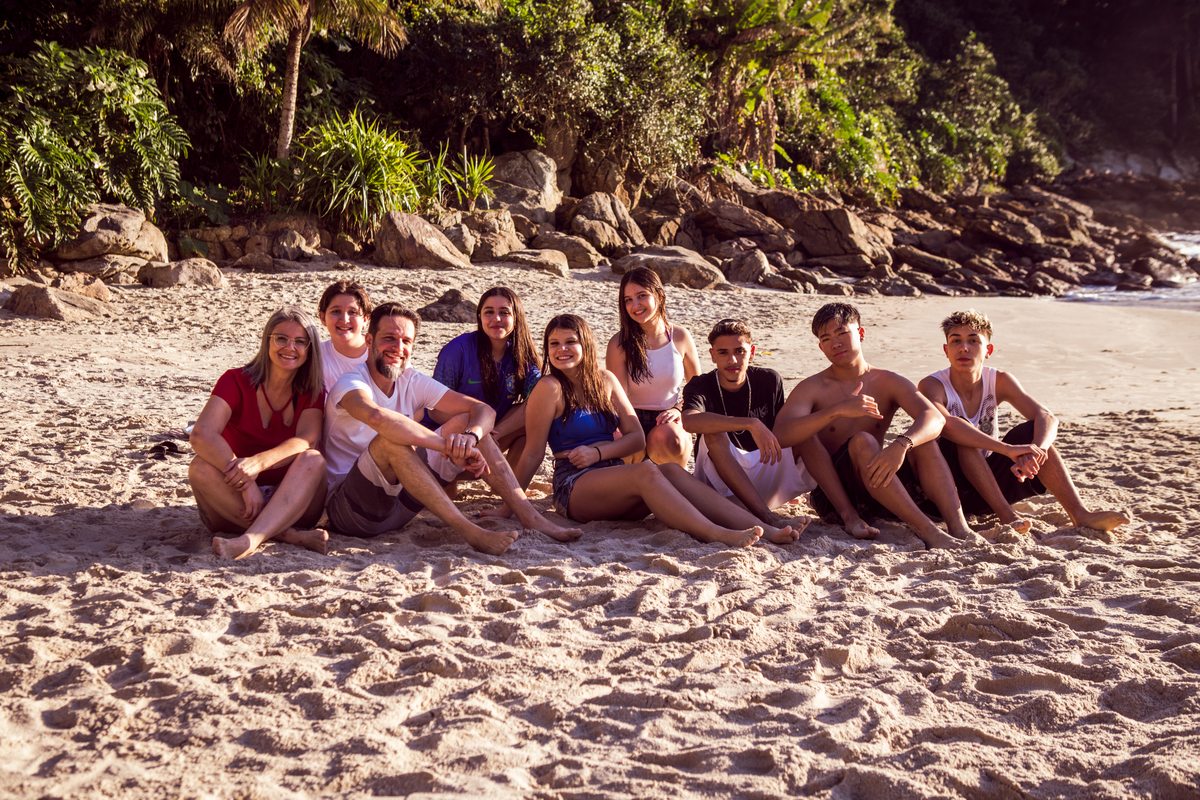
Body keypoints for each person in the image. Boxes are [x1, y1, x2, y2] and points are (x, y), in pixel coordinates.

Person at [501, 313, 804, 547]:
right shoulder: (549, 387)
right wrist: (509, 508)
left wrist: (598, 452)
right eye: (554, 344)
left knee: (669, 470)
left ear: (585, 345)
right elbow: (532, 454)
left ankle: (767, 529)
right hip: (575, 487)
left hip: (614, 479)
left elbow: (635, 439)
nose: (561, 350)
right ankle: (718, 533)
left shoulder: (605, 381)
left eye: (570, 342)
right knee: (647, 471)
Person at [322, 302, 582, 554]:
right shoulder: (351, 383)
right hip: (353, 511)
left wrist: (469, 438)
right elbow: (378, 418)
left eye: (406, 341)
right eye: (389, 338)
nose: (397, 348)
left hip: (401, 507)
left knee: (465, 425)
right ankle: (469, 531)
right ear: (369, 341)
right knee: (390, 441)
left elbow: (483, 410)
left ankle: (529, 516)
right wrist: (447, 446)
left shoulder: (411, 379)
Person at [775, 302, 975, 550]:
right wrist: (836, 411)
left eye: (842, 333)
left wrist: (901, 445)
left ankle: (958, 526)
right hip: (836, 499)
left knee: (923, 441)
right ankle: (927, 531)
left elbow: (935, 418)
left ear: (860, 333)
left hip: (882, 490)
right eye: (826, 339)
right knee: (861, 440)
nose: (835, 343)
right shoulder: (813, 387)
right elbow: (780, 435)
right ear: (820, 347)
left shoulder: (887, 381)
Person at [918, 309, 1130, 533]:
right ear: (946, 350)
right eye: (956, 341)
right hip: (942, 492)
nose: (964, 348)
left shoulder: (999, 380)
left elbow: (1046, 416)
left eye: (973, 341)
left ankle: (1080, 514)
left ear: (988, 350)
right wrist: (1007, 449)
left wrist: (1037, 450)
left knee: (1033, 432)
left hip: (984, 489)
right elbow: (948, 424)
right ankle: (1007, 516)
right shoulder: (932, 385)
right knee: (963, 432)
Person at [189, 306, 329, 560]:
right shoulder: (234, 380)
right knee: (199, 467)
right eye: (281, 338)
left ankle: (251, 539)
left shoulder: (312, 390)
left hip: (292, 497)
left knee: (314, 459)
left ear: (310, 351)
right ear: (267, 341)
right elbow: (202, 434)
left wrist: (257, 464)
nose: (290, 347)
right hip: (234, 501)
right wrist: (246, 482)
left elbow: (306, 440)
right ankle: (287, 535)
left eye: (300, 342)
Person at [681, 318, 815, 528]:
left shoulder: (769, 380)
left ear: (751, 352)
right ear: (712, 355)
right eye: (723, 352)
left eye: (739, 351)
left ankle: (846, 513)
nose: (732, 360)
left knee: (809, 435)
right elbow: (689, 421)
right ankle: (767, 517)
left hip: (764, 470)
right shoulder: (701, 385)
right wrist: (751, 423)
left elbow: (784, 431)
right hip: (721, 483)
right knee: (713, 434)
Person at [425, 287, 541, 493]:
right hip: (448, 439)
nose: (496, 318)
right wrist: (474, 431)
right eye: (489, 312)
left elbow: (541, 399)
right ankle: (445, 478)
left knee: (533, 418)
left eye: (504, 312)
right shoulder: (458, 349)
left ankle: (508, 486)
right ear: (479, 317)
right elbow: (434, 408)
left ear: (517, 317)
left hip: (488, 437)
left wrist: (490, 434)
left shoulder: (522, 355)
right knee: (447, 495)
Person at [604, 267, 701, 467]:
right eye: (628, 300)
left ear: (659, 294)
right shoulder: (619, 343)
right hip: (631, 418)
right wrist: (624, 430)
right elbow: (617, 398)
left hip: (668, 420)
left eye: (642, 296)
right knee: (620, 441)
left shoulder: (680, 336)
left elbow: (697, 390)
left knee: (670, 438)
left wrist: (677, 410)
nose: (635, 305)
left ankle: (676, 484)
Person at [316, 279, 373, 391]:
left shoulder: (382, 351)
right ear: (323, 318)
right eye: (336, 311)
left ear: (365, 319)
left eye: (353, 312)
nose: (344, 320)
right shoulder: (316, 357)